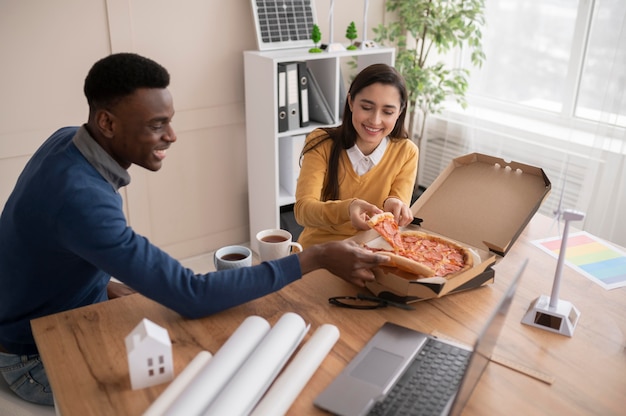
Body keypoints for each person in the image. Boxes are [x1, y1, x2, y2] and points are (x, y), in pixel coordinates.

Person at [0, 53, 389, 406]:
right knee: (196, 381)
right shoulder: (80, 197)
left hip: (64, 309)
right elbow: (192, 293)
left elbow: (52, 249)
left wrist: (105, 286)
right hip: (33, 358)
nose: (171, 136)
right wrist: (315, 257)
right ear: (106, 122)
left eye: (169, 121)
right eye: (157, 125)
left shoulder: (69, 139)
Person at [294, 63, 418, 248]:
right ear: (351, 102)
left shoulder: (406, 151)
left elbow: (396, 206)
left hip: (371, 251)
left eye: (388, 112)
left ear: (399, 112)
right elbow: (303, 211)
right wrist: (347, 208)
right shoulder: (321, 142)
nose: (375, 120)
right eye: (367, 107)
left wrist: (394, 202)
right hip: (319, 251)